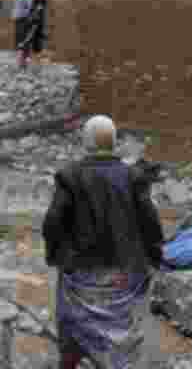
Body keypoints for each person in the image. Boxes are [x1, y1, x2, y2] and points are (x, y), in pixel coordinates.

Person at [42, 115, 164, 369]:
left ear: (86, 142)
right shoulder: (133, 176)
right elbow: (150, 221)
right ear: (114, 142)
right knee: (123, 330)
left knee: (73, 324)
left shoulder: (70, 176)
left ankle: (72, 361)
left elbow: (53, 222)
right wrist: (154, 256)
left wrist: (56, 256)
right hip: (125, 273)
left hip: (81, 272)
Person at [10, 0, 32, 69]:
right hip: (18, 20)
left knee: (22, 41)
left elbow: (30, 7)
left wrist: (24, 15)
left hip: (23, 21)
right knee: (19, 41)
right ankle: (21, 62)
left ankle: (23, 63)